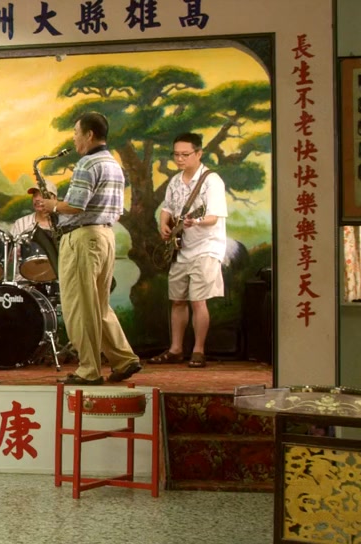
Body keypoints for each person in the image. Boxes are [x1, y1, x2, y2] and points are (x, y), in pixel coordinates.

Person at [36, 112, 142, 385]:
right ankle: (124, 359)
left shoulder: (87, 163)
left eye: (76, 132)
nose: (74, 138)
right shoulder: (113, 163)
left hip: (83, 238)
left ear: (89, 135)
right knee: (99, 305)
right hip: (105, 236)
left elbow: (76, 205)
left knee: (80, 306)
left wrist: (52, 205)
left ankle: (88, 370)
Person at [148, 132, 229, 369]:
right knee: (177, 300)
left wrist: (197, 221)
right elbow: (167, 208)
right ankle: (175, 349)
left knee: (198, 300)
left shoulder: (212, 181)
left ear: (199, 153)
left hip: (206, 246)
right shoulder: (175, 181)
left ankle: (198, 350)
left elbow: (214, 216)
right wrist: (163, 224)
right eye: (176, 155)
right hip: (181, 247)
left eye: (185, 154)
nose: (180, 159)